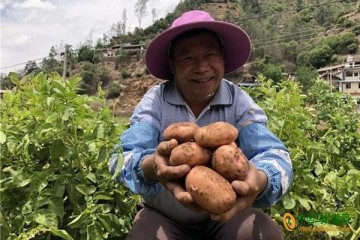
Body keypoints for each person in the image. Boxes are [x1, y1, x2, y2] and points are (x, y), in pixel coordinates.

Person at [109, 10, 293, 240]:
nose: (201, 67)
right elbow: (120, 158)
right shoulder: (155, 100)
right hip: (163, 217)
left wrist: (261, 179)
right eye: (187, 58)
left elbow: (276, 155)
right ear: (172, 65)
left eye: (210, 55)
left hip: (228, 216)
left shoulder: (238, 100)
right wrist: (151, 167)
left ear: (223, 59)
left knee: (263, 233)